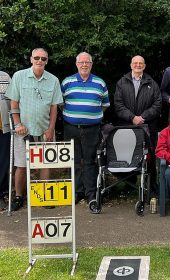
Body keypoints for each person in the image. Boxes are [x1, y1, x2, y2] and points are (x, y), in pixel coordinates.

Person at [5, 48, 63, 211]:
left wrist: (51, 128)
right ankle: (18, 196)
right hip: (23, 131)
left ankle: (44, 197)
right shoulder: (19, 76)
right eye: (36, 58)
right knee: (22, 165)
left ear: (47, 61)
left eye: (43, 59)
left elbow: (54, 107)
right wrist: (17, 124)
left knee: (45, 164)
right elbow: (14, 103)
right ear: (31, 59)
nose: (39, 61)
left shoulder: (53, 80)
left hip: (45, 130)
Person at [61, 52, 110, 204]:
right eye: (81, 62)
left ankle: (91, 193)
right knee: (73, 160)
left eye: (87, 62)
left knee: (90, 161)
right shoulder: (67, 82)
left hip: (92, 129)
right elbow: (60, 103)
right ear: (76, 64)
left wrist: (91, 116)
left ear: (91, 64)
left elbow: (105, 105)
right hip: (71, 128)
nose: (84, 65)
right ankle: (76, 192)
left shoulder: (100, 83)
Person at [114, 55, 161, 194]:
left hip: (147, 126)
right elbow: (118, 105)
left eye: (141, 63)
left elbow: (157, 105)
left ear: (144, 66)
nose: (138, 65)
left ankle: (151, 185)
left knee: (150, 156)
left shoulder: (152, 83)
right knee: (128, 155)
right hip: (126, 126)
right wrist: (132, 117)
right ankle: (129, 184)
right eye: (135, 63)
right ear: (131, 65)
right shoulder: (122, 83)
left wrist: (143, 117)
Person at [0, 71, 11, 210]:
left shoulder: (5, 76)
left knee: (3, 162)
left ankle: (1, 193)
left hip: (3, 127)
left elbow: (13, 99)